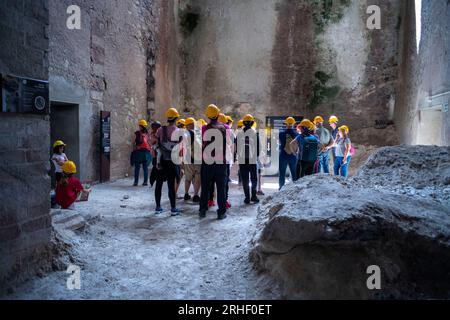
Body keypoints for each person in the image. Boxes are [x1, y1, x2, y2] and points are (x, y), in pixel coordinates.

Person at [199, 104, 229, 220]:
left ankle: (202, 210)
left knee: (205, 187)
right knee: (221, 188)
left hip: (207, 162)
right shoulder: (226, 127)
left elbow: (203, 142)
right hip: (220, 162)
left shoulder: (204, 128)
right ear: (218, 115)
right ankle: (221, 212)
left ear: (208, 116)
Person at [154, 108, 183, 215]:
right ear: (176, 118)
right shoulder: (179, 131)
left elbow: (155, 143)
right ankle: (173, 208)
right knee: (171, 185)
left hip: (161, 161)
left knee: (159, 184)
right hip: (172, 162)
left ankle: (158, 207)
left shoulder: (161, 130)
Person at [236, 114, 260, 204]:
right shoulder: (255, 133)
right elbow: (258, 147)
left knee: (245, 179)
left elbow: (237, 147)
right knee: (254, 178)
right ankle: (253, 196)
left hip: (242, 159)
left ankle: (247, 198)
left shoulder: (239, 133)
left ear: (243, 123)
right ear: (252, 123)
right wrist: (256, 156)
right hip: (252, 159)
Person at [183, 118, 201, 203]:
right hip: (196, 159)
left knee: (188, 178)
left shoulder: (185, 134)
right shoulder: (196, 133)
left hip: (187, 158)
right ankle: (196, 195)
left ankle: (186, 194)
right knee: (197, 177)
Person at [278, 117, 299, 189]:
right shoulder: (297, 134)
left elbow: (280, 142)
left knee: (282, 173)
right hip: (293, 155)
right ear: (293, 124)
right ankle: (296, 188)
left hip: (283, 155)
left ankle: (281, 188)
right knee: (294, 173)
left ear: (286, 124)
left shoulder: (281, 134)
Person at [131, 119, 152, 186]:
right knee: (145, 168)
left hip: (138, 152)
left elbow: (133, 142)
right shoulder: (147, 134)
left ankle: (136, 182)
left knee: (137, 167)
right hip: (146, 153)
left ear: (140, 126)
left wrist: (134, 149)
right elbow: (150, 143)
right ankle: (145, 182)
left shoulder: (137, 133)